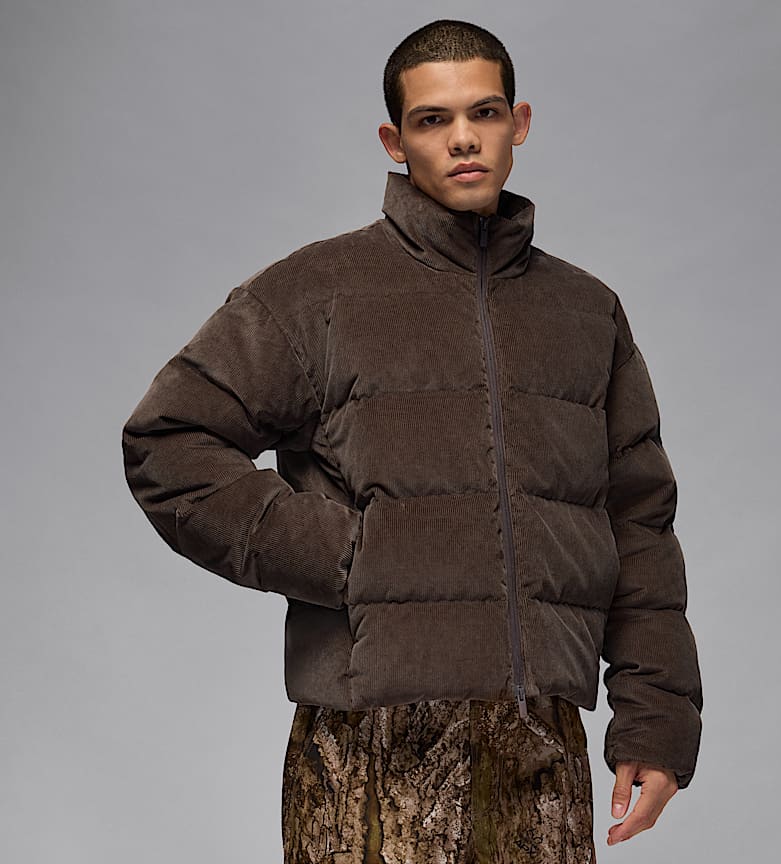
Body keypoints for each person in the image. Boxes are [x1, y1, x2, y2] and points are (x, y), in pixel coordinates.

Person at [122, 18, 702, 861]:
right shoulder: (317, 293)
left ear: (519, 123)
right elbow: (168, 443)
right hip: (368, 748)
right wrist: (350, 557)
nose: (464, 138)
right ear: (395, 141)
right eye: (433, 119)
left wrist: (656, 719)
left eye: (485, 112)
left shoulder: (587, 313)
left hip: (541, 748)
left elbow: (638, 522)